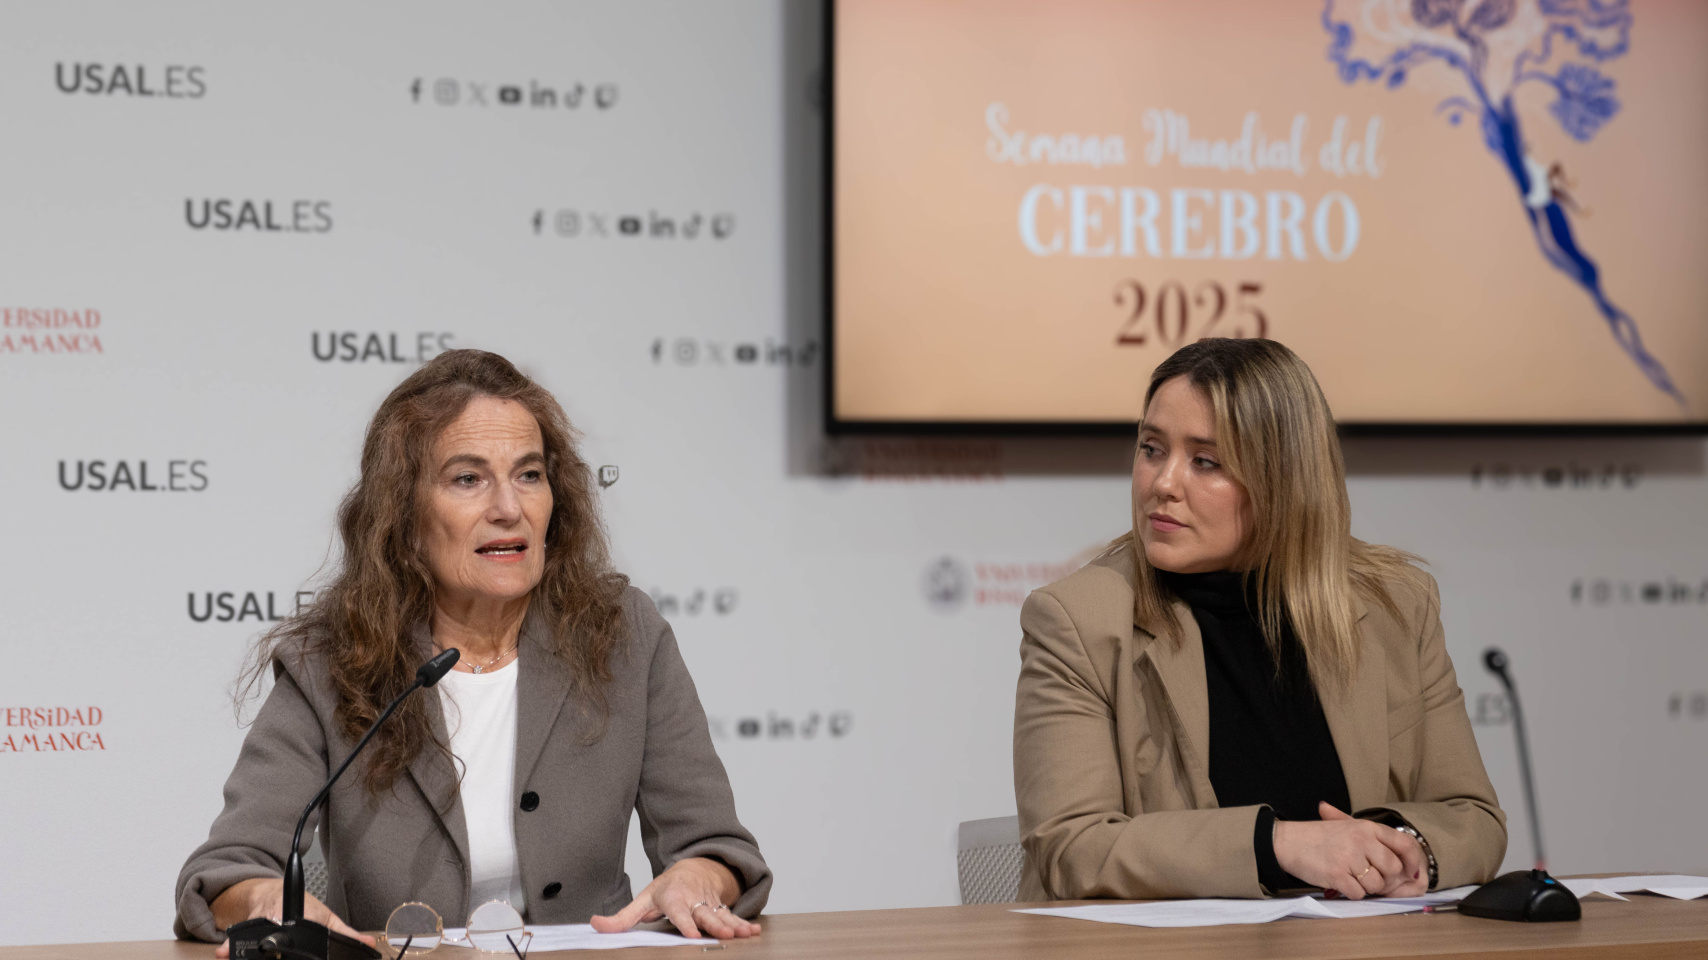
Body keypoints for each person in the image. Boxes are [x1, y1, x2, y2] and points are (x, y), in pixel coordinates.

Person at [175, 350, 768, 951]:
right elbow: (230, 867)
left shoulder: (622, 634)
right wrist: (265, 899)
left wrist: (697, 877)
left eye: (529, 475)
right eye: (468, 478)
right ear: (403, 515)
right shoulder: (332, 662)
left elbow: (716, 846)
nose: (509, 509)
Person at [1013, 338, 1506, 902]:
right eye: (1152, 449)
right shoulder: (1080, 620)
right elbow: (1073, 847)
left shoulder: (1397, 605)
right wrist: (1281, 847)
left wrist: (1403, 849)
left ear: (1285, 479)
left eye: (1205, 462)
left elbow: (1472, 818)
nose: (1163, 484)